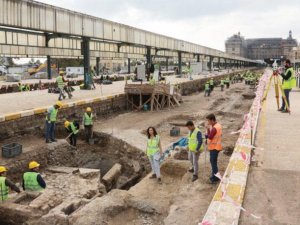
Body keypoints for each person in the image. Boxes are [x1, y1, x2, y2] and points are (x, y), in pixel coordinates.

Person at [206, 114, 222, 184]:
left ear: (212, 120)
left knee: (213, 163)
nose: (208, 122)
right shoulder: (218, 125)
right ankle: (215, 176)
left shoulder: (215, 128)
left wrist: (207, 130)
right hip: (216, 147)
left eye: (208, 121)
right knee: (214, 162)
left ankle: (215, 178)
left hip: (214, 147)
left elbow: (210, 137)